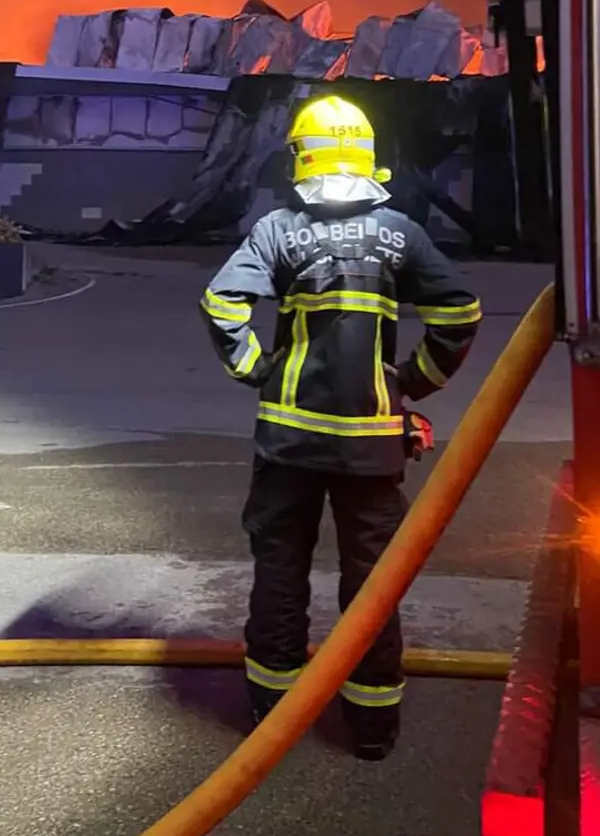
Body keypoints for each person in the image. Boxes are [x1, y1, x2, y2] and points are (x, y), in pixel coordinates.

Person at [199, 93, 482, 760]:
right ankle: (373, 729)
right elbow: (459, 315)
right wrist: (409, 383)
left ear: (302, 157)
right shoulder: (402, 233)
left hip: (288, 441)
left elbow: (221, 302)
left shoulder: (277, 230)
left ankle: (273, 720)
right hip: (371, 446)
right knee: (372, 585)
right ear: (367, 158)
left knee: (280, 571)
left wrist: (257, 371)